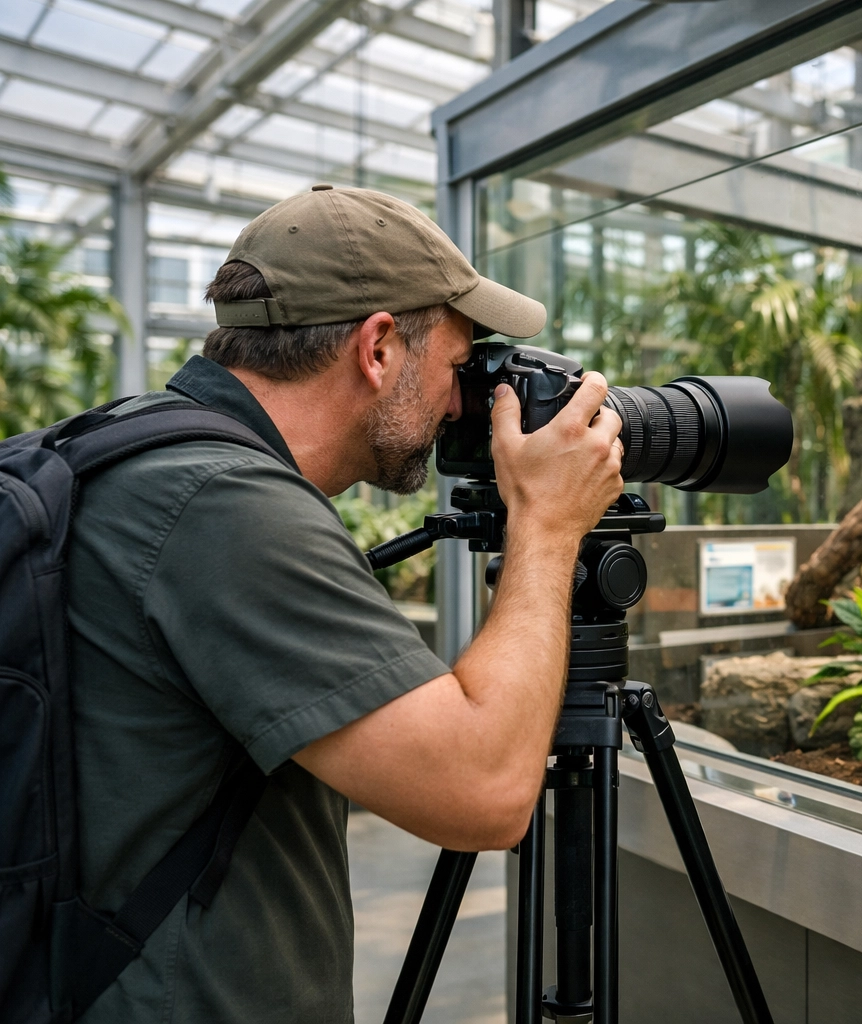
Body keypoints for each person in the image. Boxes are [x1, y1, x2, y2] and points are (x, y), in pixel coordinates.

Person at [68, 185, 625, 1022]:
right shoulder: (226, 510)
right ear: (377, 350)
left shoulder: (130, 446)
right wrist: (547, 525)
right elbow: (486, 793)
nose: (459, 402)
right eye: (458, 363)